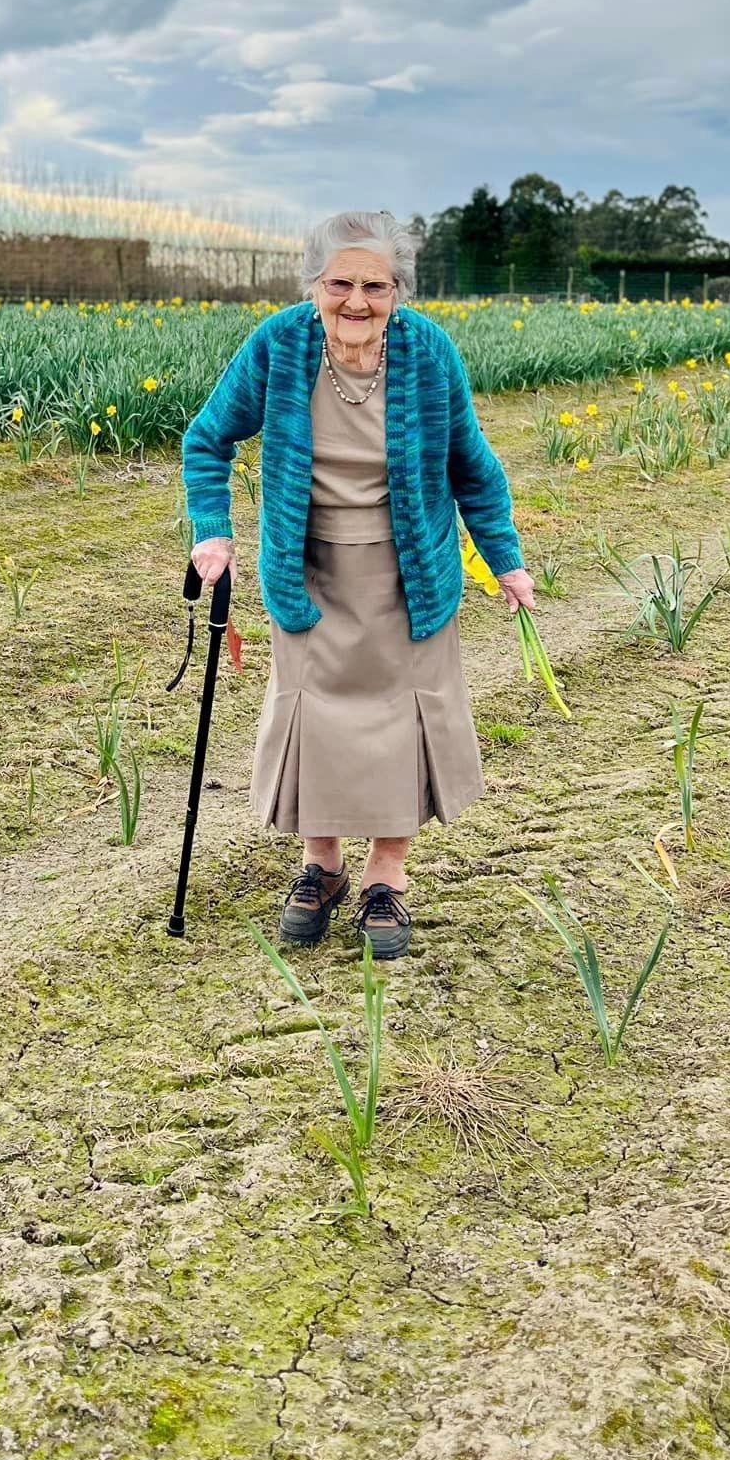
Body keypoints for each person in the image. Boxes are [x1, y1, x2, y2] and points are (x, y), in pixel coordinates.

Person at [181, 210, 534, 960]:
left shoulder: (428, 352)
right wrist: (211, 531)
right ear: (313, 284)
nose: (356, 301)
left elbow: (472, 463)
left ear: (399, 290)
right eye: (339, 282)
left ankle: (387, 873)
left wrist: (505, 559)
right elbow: (207, 438)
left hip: (411, 573)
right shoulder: (279, 346)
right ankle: (322, 866)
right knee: (315, 719)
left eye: (375, 285)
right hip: (306, 570)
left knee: (404, 722)